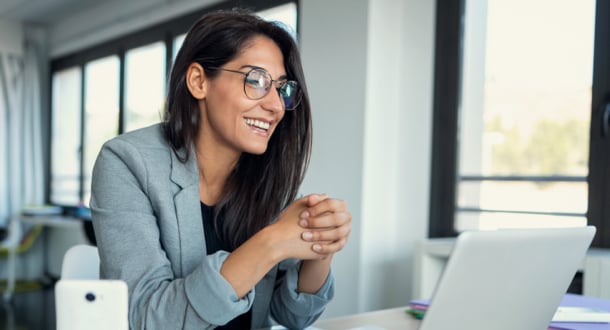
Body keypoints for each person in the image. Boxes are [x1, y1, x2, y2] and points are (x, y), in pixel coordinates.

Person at [90, 9, 352, 330]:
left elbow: (293, 317)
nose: (274, 106)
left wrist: (319, 246)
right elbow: (146, 318)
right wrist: (270, 244)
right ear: (199, 81)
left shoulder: (269, 175)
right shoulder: (126, 161)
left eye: (281, 89)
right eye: (256, 81)